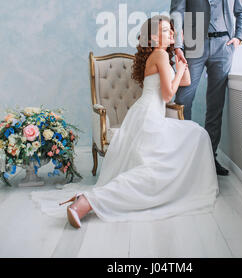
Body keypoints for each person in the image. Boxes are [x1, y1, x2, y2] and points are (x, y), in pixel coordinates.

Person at [56, 15, 219, 228]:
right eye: (165, 31)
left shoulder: (162, 55)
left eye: (172, 30)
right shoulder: (159, 54)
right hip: (149, 116)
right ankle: (86, 202)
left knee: (194, 136)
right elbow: (169, 95)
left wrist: (179, 56)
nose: (172, 33)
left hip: (147, 114)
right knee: (158, 165)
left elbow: (185, 81)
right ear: (152, 38)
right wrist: (178, 71)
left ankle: (89, 200)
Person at [170, 0, 242, 176]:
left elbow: (241, 11)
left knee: (216, 105)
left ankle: (208, 158)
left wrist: (238, 38)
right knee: (183, 100)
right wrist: (178, 45)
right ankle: (183, 158)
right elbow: (177, 12)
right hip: (193, 43)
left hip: (223, 46)